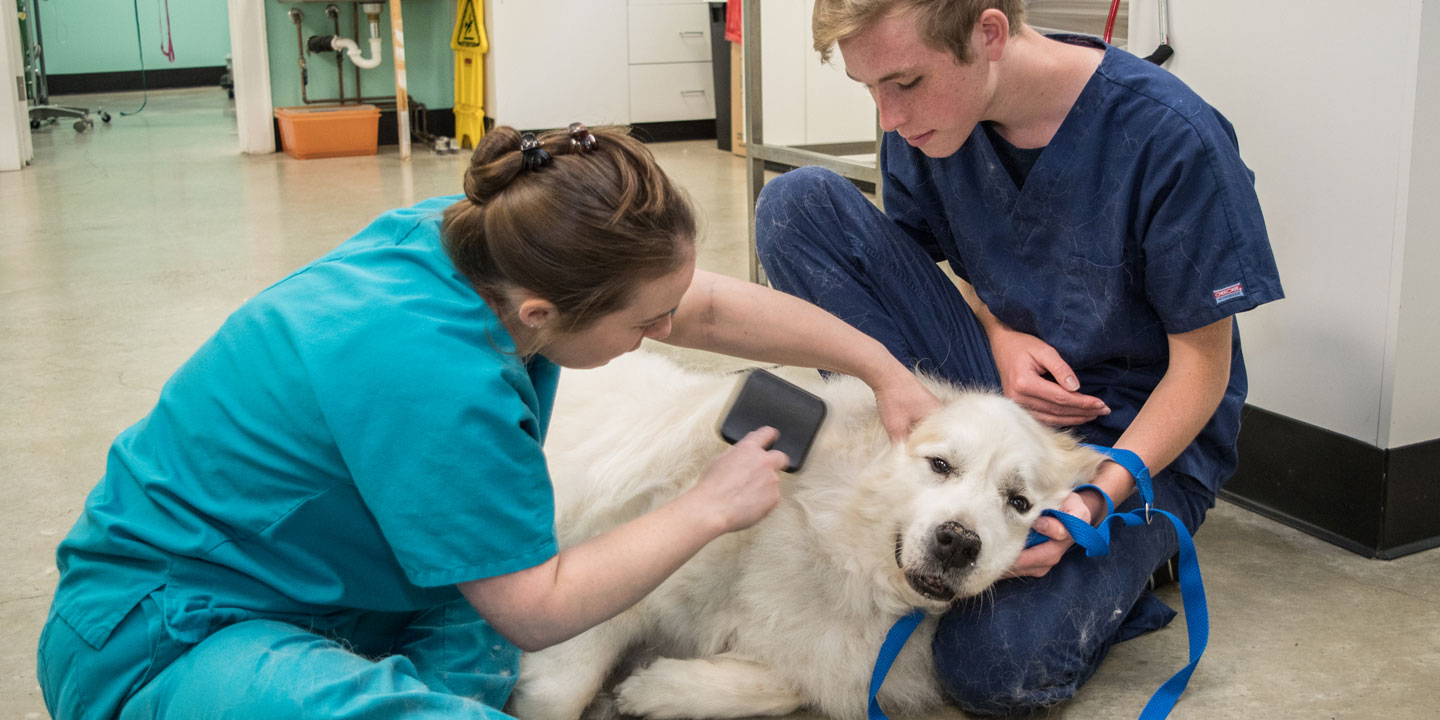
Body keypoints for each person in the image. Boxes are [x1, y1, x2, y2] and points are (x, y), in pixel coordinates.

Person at [36, 124, 940, 720]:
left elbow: (700, 308)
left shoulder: (485, 241)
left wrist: (880, 368)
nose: (669, 333)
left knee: (505, 666)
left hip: (355, 594)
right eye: (643, 324)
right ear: (545, 314)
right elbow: (536, 607)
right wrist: (708, 506)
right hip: (166, 635)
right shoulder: (431, 376)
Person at [754, 1, 1283, 715]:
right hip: (992, 388)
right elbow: (954, 263)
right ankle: (935, 477)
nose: (888, 116)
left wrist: (1093, 500)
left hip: (1130, 436)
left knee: (994, 668)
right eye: (869, 88)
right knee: (798, 205)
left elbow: (1203, 373)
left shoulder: (1172, 137)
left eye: (904, 82)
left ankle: (1132, 562)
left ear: (990, 34)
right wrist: (999, 334)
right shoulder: (930, 118)